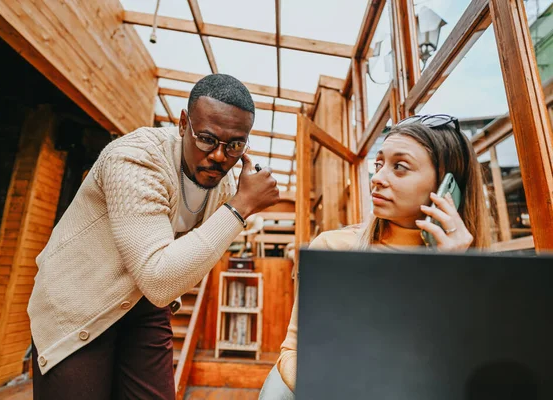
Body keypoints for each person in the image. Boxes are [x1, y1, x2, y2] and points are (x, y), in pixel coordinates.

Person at [28, 74, 280, 399]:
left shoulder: (228, 187)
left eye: (234, 145)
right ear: (183, 123)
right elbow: (159, 277)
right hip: (79, 299)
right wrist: (240, 208)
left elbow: (163, 286)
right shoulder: (135, 159)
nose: (219, 156)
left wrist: (236, 203)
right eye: (206, 138)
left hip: (144, 302)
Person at [263, 114, 491, 397]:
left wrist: (451, 274)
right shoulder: (333, 247)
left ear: (447, 186)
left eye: (400, 167)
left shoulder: (472, 270)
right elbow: (292, 351)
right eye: (379, 164)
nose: (378, 178)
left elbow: (461, 371)